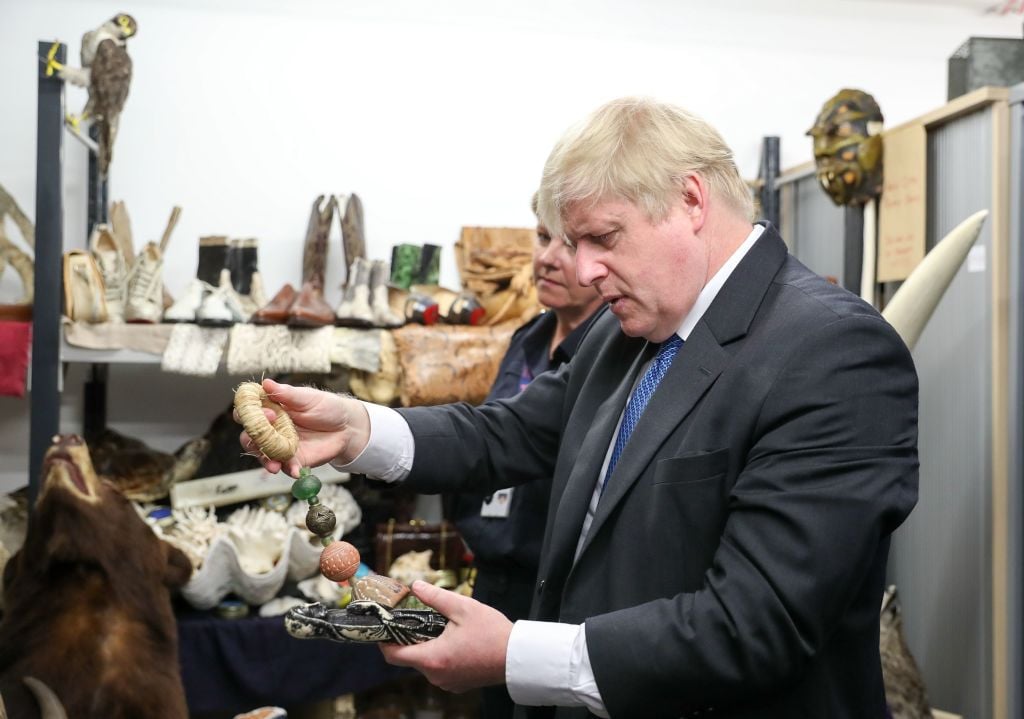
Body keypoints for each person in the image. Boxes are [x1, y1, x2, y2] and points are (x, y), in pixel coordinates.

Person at [240, 97, 919, 719]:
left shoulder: (835, 353)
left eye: (603, 238)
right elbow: (507, 433)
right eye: (571, 243)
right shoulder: (629, 326)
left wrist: (516, 655)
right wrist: (357, 427)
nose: (584, 270)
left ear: (690, 199)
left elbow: (754, 623)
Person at [449, 193, 603, 719]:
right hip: (497, 575)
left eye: (571, 242)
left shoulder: (616, 356)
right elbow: (495, 438)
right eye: (542, 238)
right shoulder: (528, 338)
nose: (548, 258)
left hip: (558, 592)